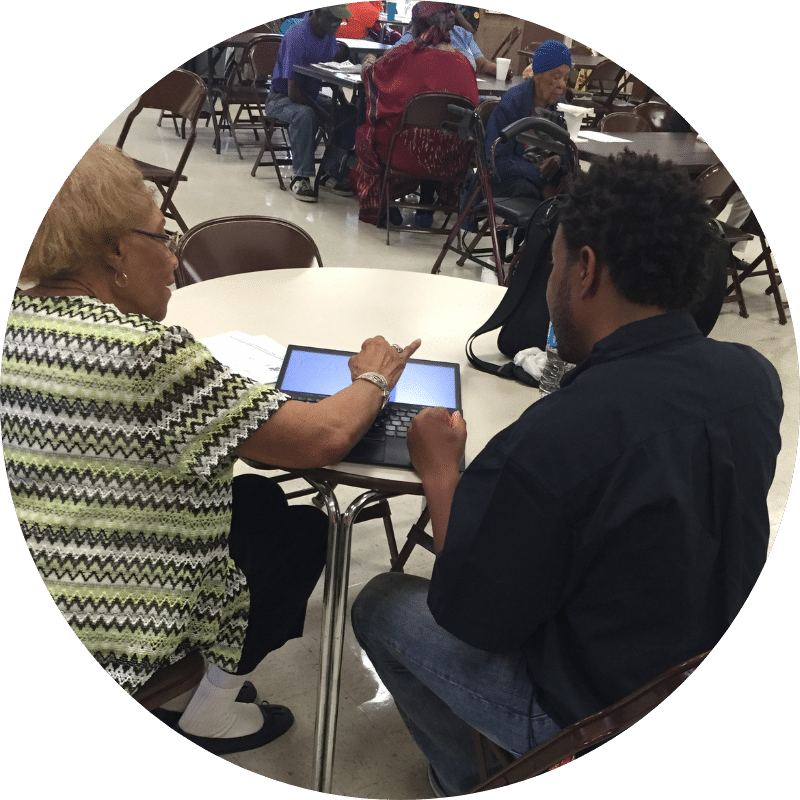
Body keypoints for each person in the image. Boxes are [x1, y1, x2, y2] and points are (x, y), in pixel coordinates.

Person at [351, 151, 783, 796]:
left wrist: (442, 471)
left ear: (584, 270)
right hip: (695, 664)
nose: (549, 284)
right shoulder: (754, 379)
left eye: (552, 263)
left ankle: (464, 782)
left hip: (598, 717)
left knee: (381, 604)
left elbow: (468, 615)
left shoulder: (557, 438)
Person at [1, 142, 421, 756]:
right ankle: (210, 713)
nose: (174, 258)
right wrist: (374, 376)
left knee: (251, 495)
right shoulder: (147, 355)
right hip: (112, 617)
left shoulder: (23, 319)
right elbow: (324, 436)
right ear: (113, 249)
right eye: (162, 237)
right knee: (304, 534)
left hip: (50, 564)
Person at [354, 4, 479, 228]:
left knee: (369, 132)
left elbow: (375, 77)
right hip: (451, 156)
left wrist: (369, 60)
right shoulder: (464, 64)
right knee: (430, 128)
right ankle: (427, 203)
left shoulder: (406, 56)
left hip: (406, 152)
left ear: (416, 25)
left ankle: (385, 205)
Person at [262, 7, 358, 203]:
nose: (336, 24)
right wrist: (324, 114)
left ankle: (329, 172)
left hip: (310, 96)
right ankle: (300, 177)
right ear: (318, 11)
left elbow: (328, 71)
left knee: (351, 114)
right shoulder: (297, 36)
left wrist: (341, 103)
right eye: (332, 18)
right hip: (281, 98)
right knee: (306, 115)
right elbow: (294, 93)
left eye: (340, 20)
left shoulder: (328, 35)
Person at [485, 39, 572, 202]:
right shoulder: (513, 103)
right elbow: (497, 158)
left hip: (543, 177)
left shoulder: (562, 108)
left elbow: (571, 148)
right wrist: (540, 182)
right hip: (509, 177)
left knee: (578, 192)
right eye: (556, 77)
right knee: (530, 194)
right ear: (537, 75)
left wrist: (559, 159)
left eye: (566, 78)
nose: (562, 85)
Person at [395, 3, 506, 77]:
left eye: (454, 10)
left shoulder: (463, 35)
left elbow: (481, 64)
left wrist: (500, 70)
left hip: (466, 95)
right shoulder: (419, 34)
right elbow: (390, 55)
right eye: (447, 11)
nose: (453, 15)